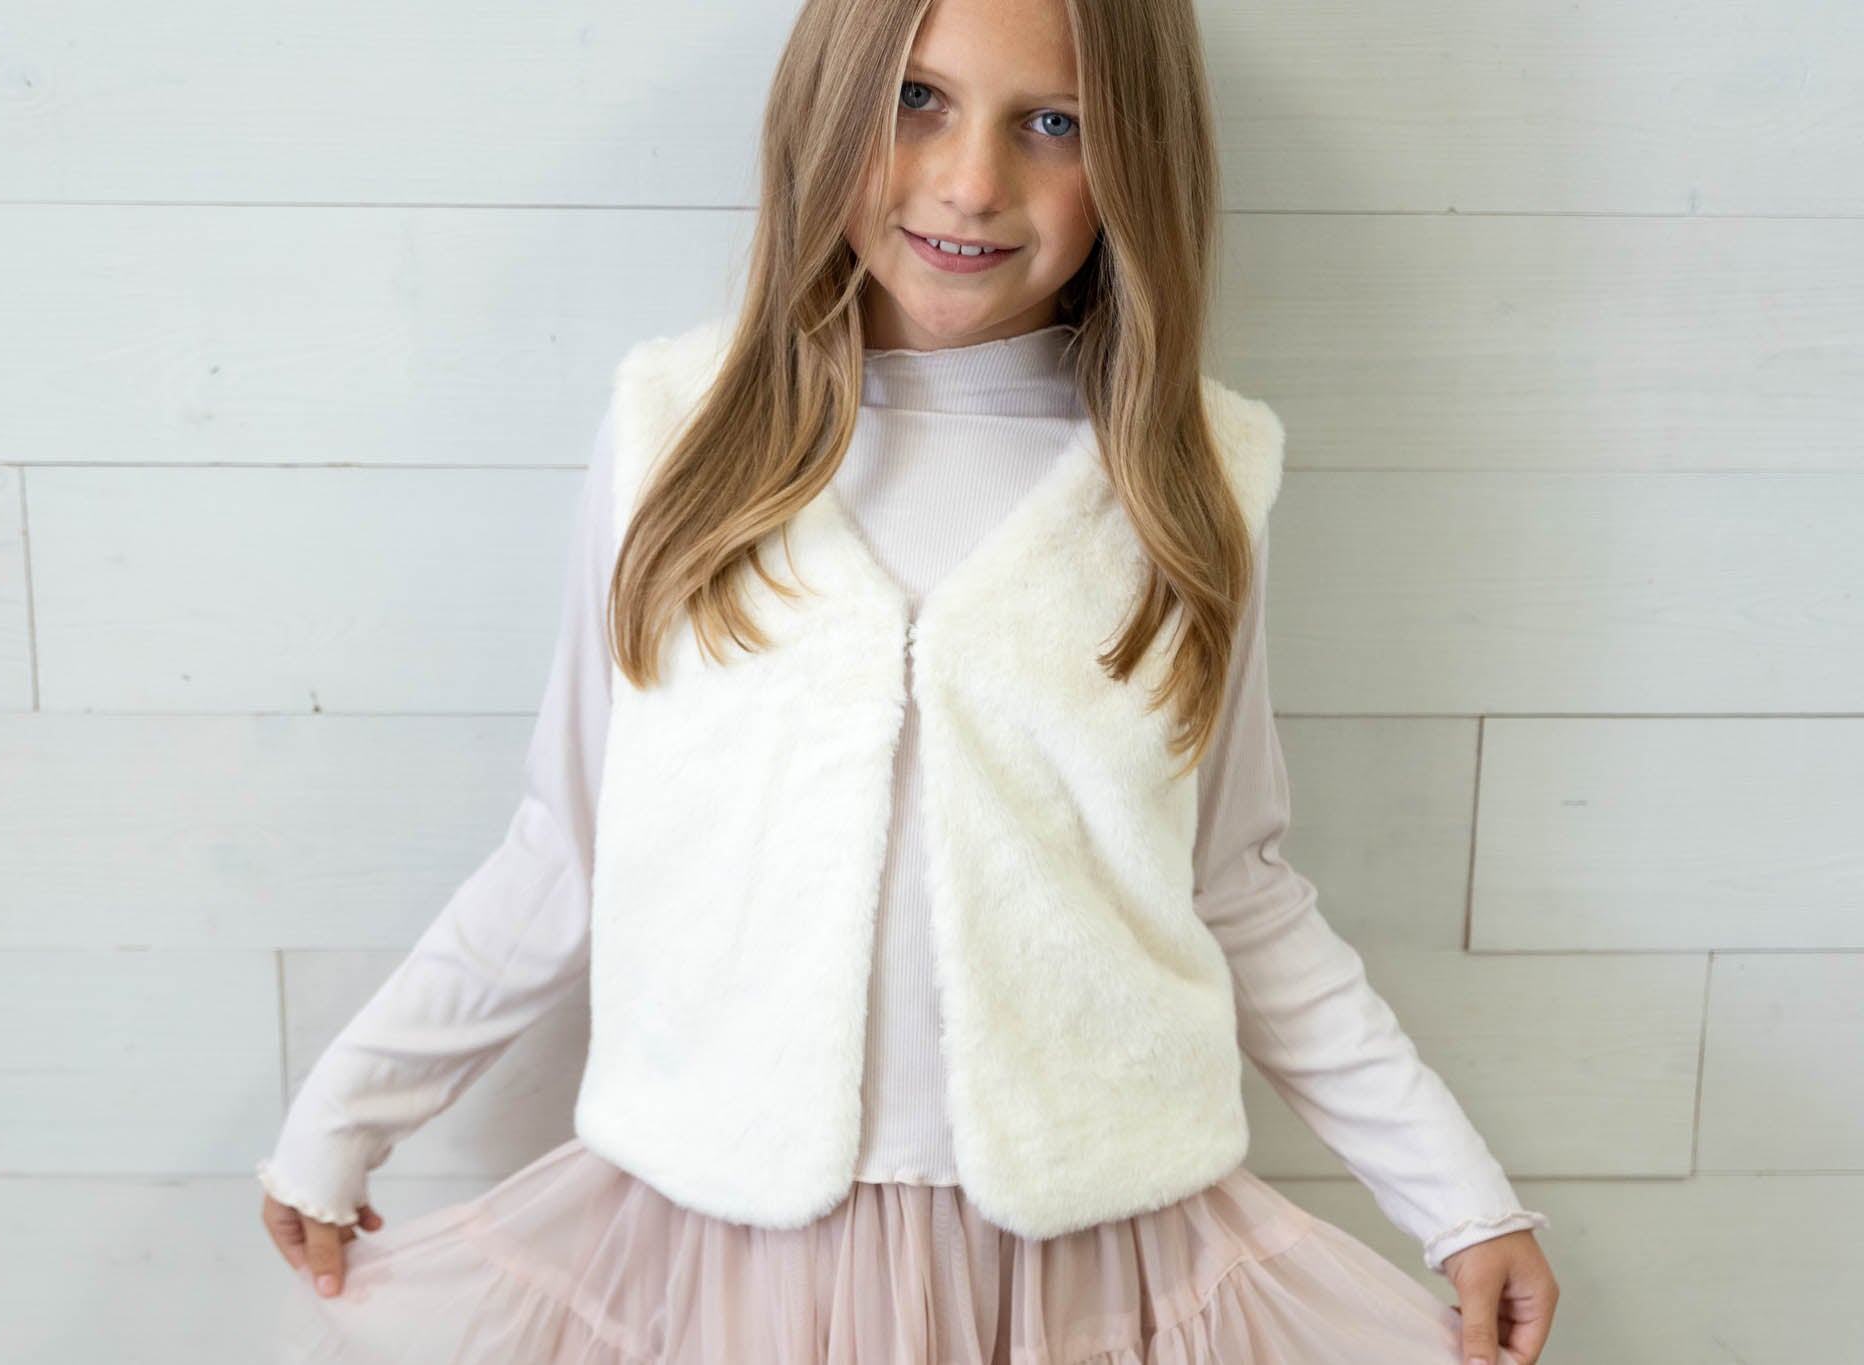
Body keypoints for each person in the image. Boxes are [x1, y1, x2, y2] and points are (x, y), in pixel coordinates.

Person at [258, 0, 1563, 1359]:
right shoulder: (671, 436)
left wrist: (1459, 1200)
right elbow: (564, 847)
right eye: (915, 100)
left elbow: (1235, 888)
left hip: (1079, 1269)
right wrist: (346, 1111)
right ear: (827, 109)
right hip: (738, 1256)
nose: (971, 182)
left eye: (1053, 123)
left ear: (1136, 158)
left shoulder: (1191, 487)